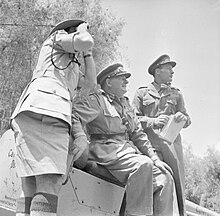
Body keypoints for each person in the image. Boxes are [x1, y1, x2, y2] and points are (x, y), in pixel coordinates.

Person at [10, 19, 96, 216]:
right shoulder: (55, 39)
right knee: (50, 181)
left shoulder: (70, 65)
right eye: (74, 31)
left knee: (30, 184)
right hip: (46, 112)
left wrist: (87, 54)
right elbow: (85, 41)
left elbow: (91, 82)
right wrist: (83, 30)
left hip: (37, 112)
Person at [72, 63, 179, 216]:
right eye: (121, 78)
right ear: (108, 82)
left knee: (165, 177)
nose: (126, 82)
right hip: (106, 151)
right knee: (142, 165)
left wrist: (155, 158)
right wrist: (80, 136)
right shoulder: (97, 100)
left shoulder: (125, 103)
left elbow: (138, 134)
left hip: (126, 152)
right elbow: (74, 115)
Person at [132, 54, 191, 216]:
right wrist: (152, 121)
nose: (172, 73)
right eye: (169, 70)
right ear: (158, 71)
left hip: (171, 149)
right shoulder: (142, 93)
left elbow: (187, 120)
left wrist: (182, 118)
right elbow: (132, 119)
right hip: (148, 146)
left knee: (175, 186)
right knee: (150, 181)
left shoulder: (176, 94)